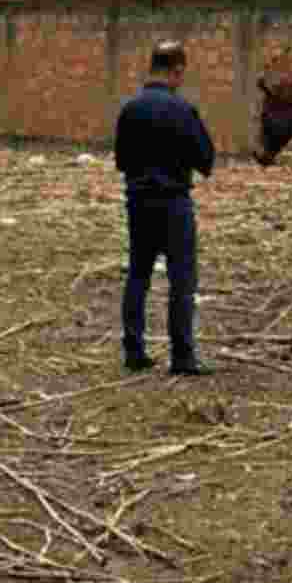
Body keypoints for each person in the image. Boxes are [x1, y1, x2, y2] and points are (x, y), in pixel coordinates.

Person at [113, 40, 216, 376]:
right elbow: (206, 160)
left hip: (139, 202)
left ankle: (134, 350)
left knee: (138, 274)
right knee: (181, 279)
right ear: (177, 70)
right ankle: (182, 356)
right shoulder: (182, 110)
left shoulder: (129, 110)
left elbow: (122, 161)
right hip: (174, 203)